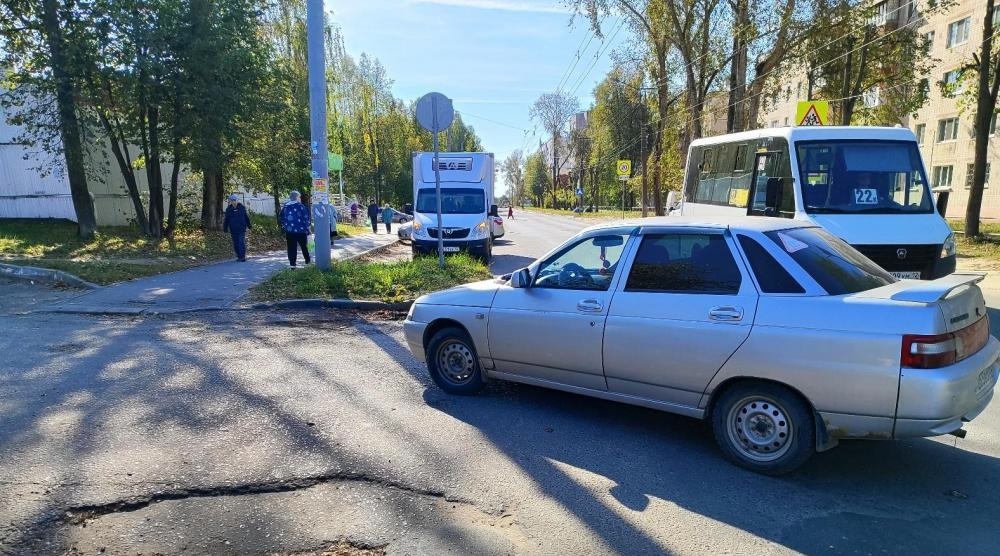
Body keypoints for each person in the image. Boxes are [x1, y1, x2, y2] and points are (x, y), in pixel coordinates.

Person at [280, 190, 311, 267]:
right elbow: (305, 217)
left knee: (291, 248)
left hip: (289, 232)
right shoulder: (301, 206)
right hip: (301, 231)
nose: (300, 198)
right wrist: (308, 228)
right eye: (299, 197)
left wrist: (285, 227)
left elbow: (281, 217)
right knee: (304, 246)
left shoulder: (285, 207)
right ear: (297, 197)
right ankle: (307, 261)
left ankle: (292, 264)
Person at [222, 194, 251, 262]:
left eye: (234, 200)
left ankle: (242, 257)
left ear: (237, 200)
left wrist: (249, 225)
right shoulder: (229, 209)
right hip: (233, 229)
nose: (233, 202)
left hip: (241, 228)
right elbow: (226, 220)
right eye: (232, 200)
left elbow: (246, 217)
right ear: (230, 202)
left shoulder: (242, 208)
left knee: (241, 242)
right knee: (236, 243)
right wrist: (225, 228)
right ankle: (239, 256)